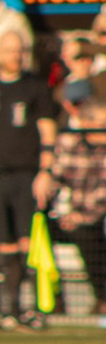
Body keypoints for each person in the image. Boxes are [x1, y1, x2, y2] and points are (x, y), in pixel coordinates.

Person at [0, 29, 60, 330]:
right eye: (10, 50)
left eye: (19, 50)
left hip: (28, 176)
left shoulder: (36, 87)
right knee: (5, 244)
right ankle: (9, 311)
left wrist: (45, 173)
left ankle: (37, 310)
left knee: (30, 243)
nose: (16, 56)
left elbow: (48, 133)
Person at [49, 100, 106, 317]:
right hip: (67, 216)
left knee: (88, 235)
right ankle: (53, 299)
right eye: (101, 124)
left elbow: (102, 195)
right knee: (36, 231)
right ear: (85, 123)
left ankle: (102, 298)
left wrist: (81, 217)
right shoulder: (68, 143)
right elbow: (55, 177)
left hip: (94, 219)